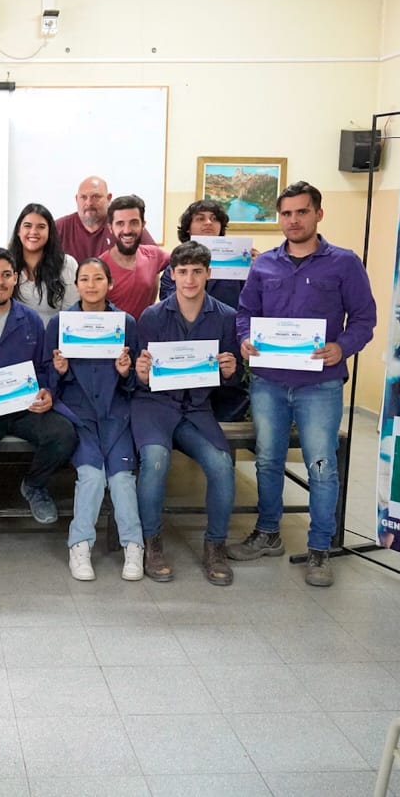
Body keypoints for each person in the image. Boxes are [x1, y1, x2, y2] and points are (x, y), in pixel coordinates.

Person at [232, 181, 377, 587]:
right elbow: (245, 312)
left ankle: (319, 549)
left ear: (318, 214)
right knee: (267, 461)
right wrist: (245, 339)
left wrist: (342, 346)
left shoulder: (344, 263)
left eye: (301, 212)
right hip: (268, 383)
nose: (293, 220)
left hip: (320, 385)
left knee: (322, 465)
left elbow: (365, 319)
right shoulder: (264, 266)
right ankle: (268, 532)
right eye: (286, 213)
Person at [0, 248, 78, 572]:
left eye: (7, 274)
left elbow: (45, 367)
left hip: (23, 409)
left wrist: (47, 391)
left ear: (16, 278)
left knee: (64, 434)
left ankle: (33, 484)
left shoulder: (31, 319)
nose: (0, 281)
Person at [132, 241, 242, 586]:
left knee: (222, 466)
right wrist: (142, 372)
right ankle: (152, 544)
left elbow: (233, 379)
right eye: (183, 272)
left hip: (196, 409)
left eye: (197, 271)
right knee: (154, 461)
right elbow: (140, 379)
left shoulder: (225, 317)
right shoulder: (152, 317)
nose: (190, 279)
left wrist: (230, 369)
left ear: (209, 273)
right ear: (172, 275)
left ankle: (215, 546)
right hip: (154, 406)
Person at [45, 257, 144, 581]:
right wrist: (59, 373)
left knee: (121, 478)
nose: (91, 284)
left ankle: (133, 546)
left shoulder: (126, 322)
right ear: (76, 285)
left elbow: (136, 384)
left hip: (117, 416)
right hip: (79, 416)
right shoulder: (60, 324)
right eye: (84, 279)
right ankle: (80, 545)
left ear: (110, 284)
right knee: (91, 476)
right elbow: (48, 384)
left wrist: (125, 372)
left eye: (98, 278)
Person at [160, 200, 258, 421]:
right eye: (200, 218)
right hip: (188, 356)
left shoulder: (242, 264)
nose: (208, 223)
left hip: (226, 354)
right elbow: (171, 306)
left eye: (214, 219)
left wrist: (259, 269)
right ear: (188, 228)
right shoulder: (173, 269)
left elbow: (251, 305)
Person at [99, 194, 171, 320]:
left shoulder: (155, 255)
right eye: (120, 223)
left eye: (134, 223)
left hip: (145, 334)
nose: (127, 230)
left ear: (143, 225)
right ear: (110, 228)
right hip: (113, 336)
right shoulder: (100, 266)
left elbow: (185, 259)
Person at [55, 176, 156, 261]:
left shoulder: (124, 226)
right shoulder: (60, 227)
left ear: (109, 198)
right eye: (83, 197)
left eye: (95, 197)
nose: (89, 203)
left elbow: (155, 258)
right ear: (76, 199)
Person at [9, 202, 77, 327]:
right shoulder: (6, 264)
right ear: (18, 231)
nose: (33, 231)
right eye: (27, 226)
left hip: (53, 343)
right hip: (15, 342)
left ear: (50, 232)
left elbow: (71, 314)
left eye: (41, 227)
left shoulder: (67, 264)